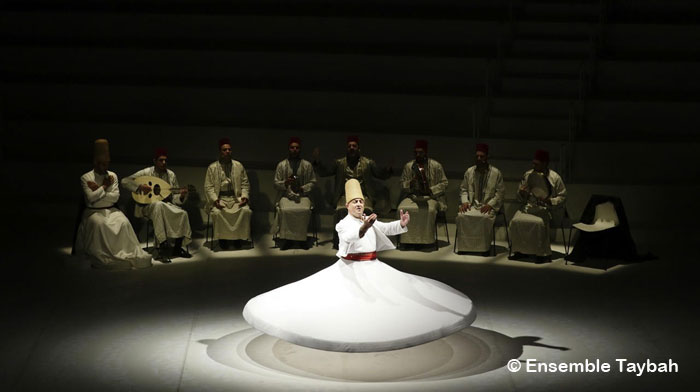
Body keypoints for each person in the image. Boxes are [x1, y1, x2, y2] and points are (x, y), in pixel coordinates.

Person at [242, 179, 475, 352]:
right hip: (351, 270)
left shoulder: (368, 219)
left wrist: (401, 224)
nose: (359, 205)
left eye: (361, 201)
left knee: (392, 303)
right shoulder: (343, 224)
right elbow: (352, 237)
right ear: (347, 205)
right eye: (355, 202)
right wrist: (364, 228)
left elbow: (384, 229)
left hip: (374, 265)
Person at [74, 139, 152, 270]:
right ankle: (105, 254)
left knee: (123, 222)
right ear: (95, 163)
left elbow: (115, 198)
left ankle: (124, 252)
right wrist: (104, 186)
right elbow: (91, 199)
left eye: (106, 164)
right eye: (102, 164)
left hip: (111, 210)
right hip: (93, 212)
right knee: (99, 224)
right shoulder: (86, 178)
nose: (105, 168)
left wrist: (98, 190)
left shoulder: (112, 176)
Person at [312, 135, 392, 248]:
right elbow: (325, 172)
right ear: (346, 148)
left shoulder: (368, 163)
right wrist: (317, 161)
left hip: (364, 196)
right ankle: (340, 242)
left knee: (367, 211)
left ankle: (366, 242)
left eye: (354, 146)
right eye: (349, 146)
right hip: (345, 196)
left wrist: (388, 168)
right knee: (341, 210)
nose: (351, 148)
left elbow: (380, 174)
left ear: (358, 148)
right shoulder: (339, 163)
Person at [121, 148, 192, 263]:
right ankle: (162, 247)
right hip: (147, 206)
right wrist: (139, 187)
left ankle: (178, 248)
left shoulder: (171, 175)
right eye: (161, 160)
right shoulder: (146, 172)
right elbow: (124, 181)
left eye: (165, 161)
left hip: (166, 205)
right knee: (158, 205)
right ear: (155, 161)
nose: (163, 163)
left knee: (183, 213)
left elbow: (174, 197)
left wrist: (182, 196)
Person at [509, 149, 567, 262]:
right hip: (528, 206)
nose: (533, 165)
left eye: (536, 164)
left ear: (545, 163)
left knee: (539, 223)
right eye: (533, 163)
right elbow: (519, 196)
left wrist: (550, 201)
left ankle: (542, 254)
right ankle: (519, 251)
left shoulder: (555, 177)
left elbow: (563, 197)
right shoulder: (528, 175)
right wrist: (522, 193)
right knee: (515, 221)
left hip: (546, 208)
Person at [397, 140, 448, 249]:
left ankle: (426, 241)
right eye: (416, 153)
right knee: (402, 208)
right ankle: (407, 241)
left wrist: (431, 190)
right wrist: (410, 183)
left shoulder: (436, 165)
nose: (418, 155)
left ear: (425, 153)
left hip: (431, 197)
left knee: (429, 210)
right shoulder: (409, 166)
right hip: (412, 196)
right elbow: (402, 183)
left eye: (420, 152)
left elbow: (444, 183)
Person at [455, 143, 505, 254]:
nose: (478, 159)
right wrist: (465, 202)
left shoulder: (496, 173)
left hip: (487, 206)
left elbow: (500, 193)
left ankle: (483, 249)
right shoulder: (469, 171)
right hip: (472, 205)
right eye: (477, 156)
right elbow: (463, 189)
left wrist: (490, 204)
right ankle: (465, 248)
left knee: (485, 218)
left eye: (481, 156)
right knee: (462, 216)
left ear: (487, 157)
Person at [204, 138, 252, 250]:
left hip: (236, 198)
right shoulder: (212, 167)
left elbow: (245, 184)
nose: (227, 152)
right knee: (217, 213)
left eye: (229, 149)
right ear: (220, 152)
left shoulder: (238, 166)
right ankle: (223, 240)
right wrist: (215, 200)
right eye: (224, 149)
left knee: (245, 211)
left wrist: (244, 197)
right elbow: (208, 187)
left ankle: (238, 239)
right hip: (221, 198)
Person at [272, 137, 317, 250]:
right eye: (292, 147)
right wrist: (285, 183)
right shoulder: (281, 165)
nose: (294, 150)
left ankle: (301, 239)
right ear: (289, 149)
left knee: (305, 210)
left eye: (297, 148)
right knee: (286, 210)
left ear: (300, 149)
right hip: (286, 196)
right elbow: (276, 183)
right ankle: (288, 239)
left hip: (303, 196)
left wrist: (303, 188)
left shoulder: (307, 165)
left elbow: (313, 182)